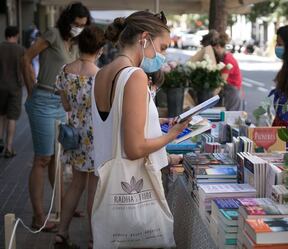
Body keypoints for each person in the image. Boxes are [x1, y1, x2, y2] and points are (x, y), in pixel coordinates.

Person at [92, 11, 189, 244]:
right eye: (163, 47)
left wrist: (157, 122)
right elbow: (135, 148)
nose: (163, 56)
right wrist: (172, 135)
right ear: (144, 38)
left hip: (108, 187)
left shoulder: (102, 73)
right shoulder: (135, 75)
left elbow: (115, 123)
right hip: (133, 191)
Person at [21, 2, 91, 232]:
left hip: (61, 103)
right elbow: (26, 57)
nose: (79, 28)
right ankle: (38, 216)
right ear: (67, 21)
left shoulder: (76, 43)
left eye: (83, 25)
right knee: (42, 158)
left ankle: (63, 206)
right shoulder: (52, 34)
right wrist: (32, 87)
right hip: (43, 99)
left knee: (56, 158)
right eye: (76, 24)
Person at [53, 26, 104, 249]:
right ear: (100, 49)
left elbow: (65, 105)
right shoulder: (100, 76)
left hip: (74, 134)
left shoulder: (65, 71)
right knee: (94, 188)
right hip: (94, 137)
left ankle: (61, 232)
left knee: (76, 184)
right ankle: (94, 239)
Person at [0, 26, 25, 157]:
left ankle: (0, 141)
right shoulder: (21, 50)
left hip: (0, 87)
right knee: (12, 118)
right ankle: (9, 148)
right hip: (15, 88)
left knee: (1, 115)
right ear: (16, 35)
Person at [212, 32, 242, 111]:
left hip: (232, 91)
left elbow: (222, 80)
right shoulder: (224, 57)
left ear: (218, 47)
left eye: (214, 49)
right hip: (229, 90)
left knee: (231, 115)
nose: (214, 52)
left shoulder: (228, 59)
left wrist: (212, 97)